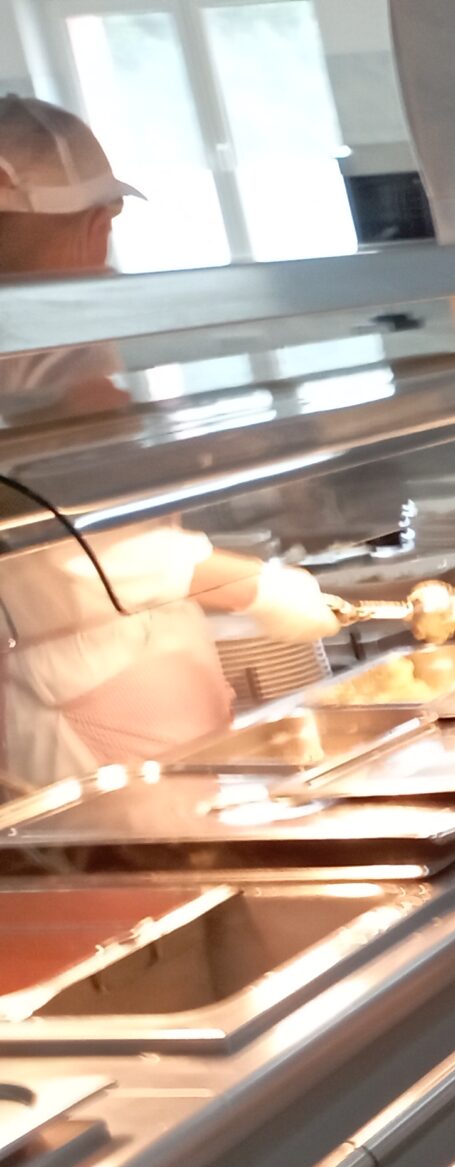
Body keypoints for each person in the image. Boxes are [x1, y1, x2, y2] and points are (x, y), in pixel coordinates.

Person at [0, 95, 340, 792]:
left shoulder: (48, 336)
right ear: (95, 222)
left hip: (119, 691)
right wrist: (256, 586)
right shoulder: (47, 347)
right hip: (94, 713)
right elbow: (93, 550)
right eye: (108, 221)